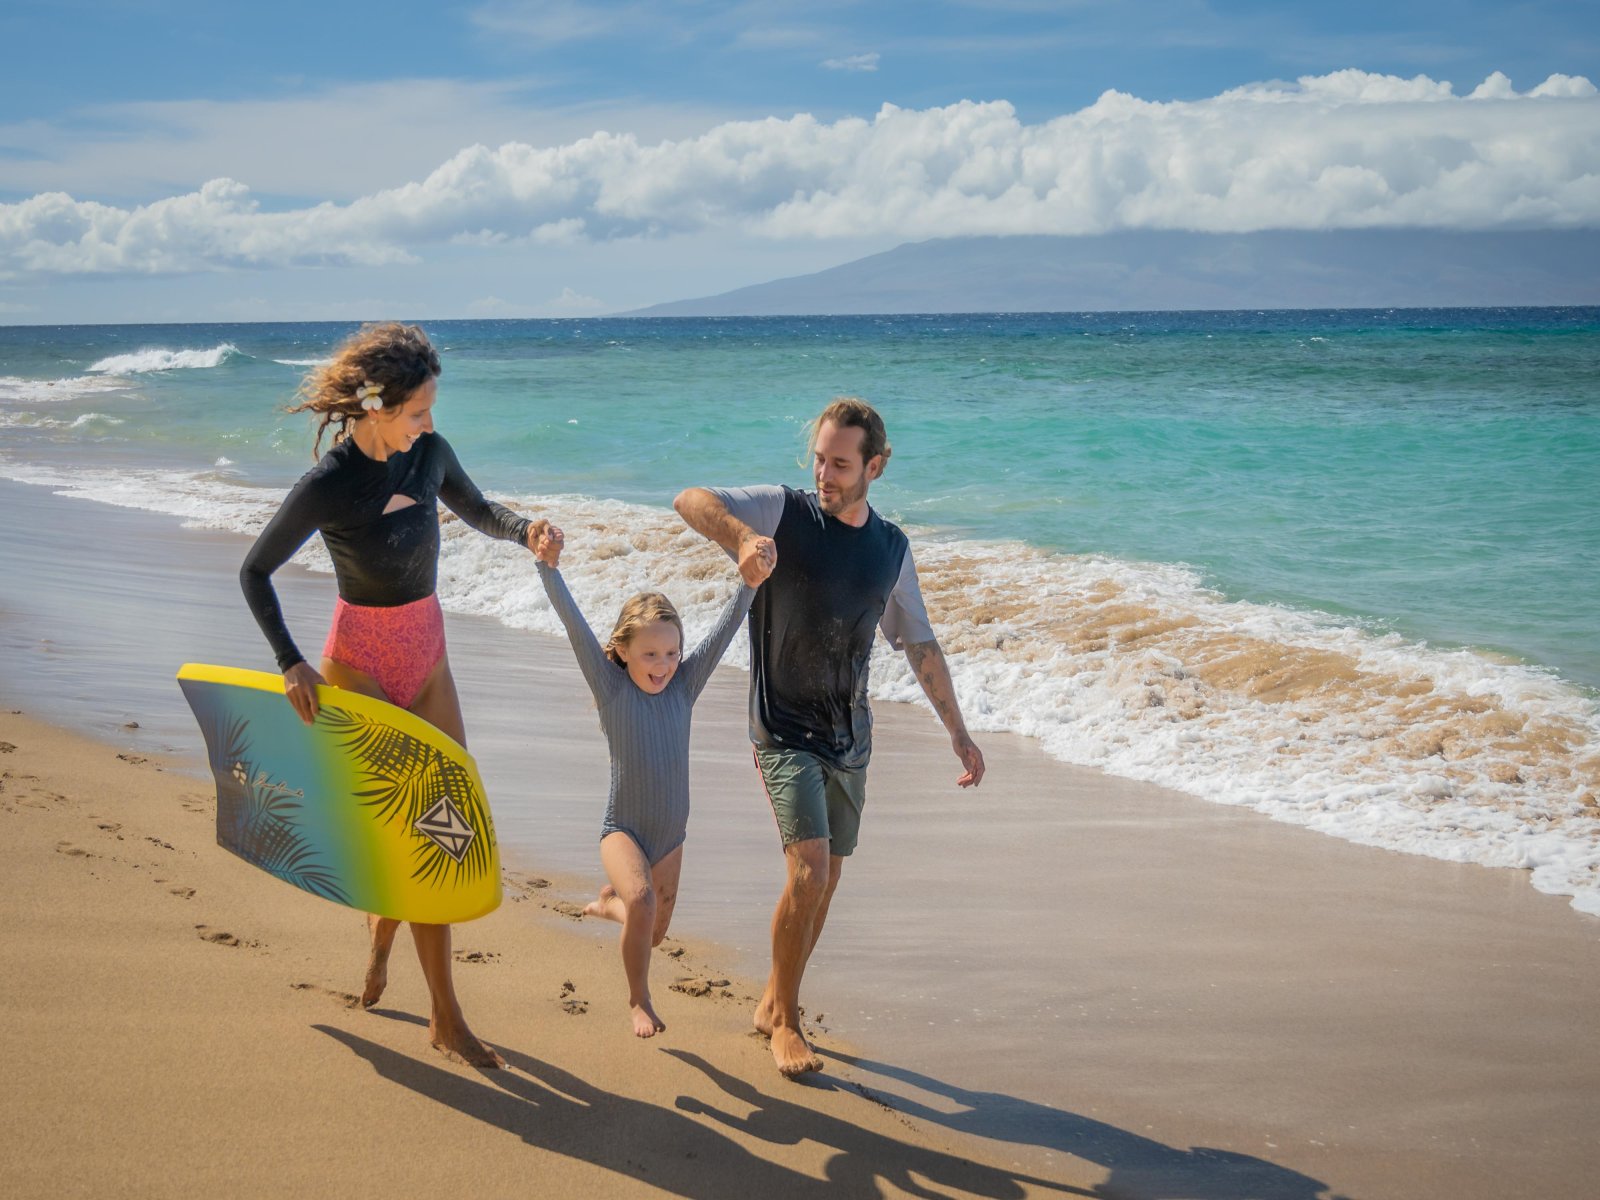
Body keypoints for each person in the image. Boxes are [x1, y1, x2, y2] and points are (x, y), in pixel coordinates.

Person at [240, 321, 548, 1069]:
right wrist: (290, 662)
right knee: (421, 840)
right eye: (418, 411)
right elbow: (254, 571)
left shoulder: (430, 455)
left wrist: (526, 531)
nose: (429, 424)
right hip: (362, 663)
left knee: (447, 824)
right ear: (377, 407)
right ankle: (446, 1016)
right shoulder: (328, 485)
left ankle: (382, 944)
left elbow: (480, 509)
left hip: (428, 653)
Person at [673, 397, 986, 1078]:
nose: (824, 475)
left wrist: (959, 733)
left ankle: (771, 1001)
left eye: (841, 464)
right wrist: (742, 539)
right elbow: (690, 500)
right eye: (819, 459)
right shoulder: (781, 512)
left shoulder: (891, 550)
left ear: (875, 467)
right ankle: (787, 1021)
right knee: (809, 868)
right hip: (782, 726)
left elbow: (919, 643)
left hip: (850, 735)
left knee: (828, 877)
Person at [531, 523, 769, 1037]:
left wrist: (749, 582)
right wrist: (548, 569)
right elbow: (574, 626)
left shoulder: (684, 686)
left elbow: (724, 631)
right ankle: (639, 1000)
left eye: (672, 653)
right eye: (650, 654)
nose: (663, 665)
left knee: (654, 931)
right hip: (623, 829)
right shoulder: (611, 689)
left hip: (670, 838)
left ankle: (609, 904)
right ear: (623, 651)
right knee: (642, 902)